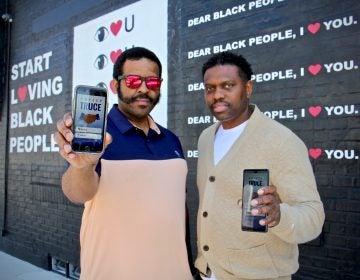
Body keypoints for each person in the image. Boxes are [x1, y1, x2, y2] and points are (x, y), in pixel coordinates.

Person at [55, 47, 193, 280]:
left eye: (152, 82)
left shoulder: (171, 139)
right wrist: (83, 166)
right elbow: (77, 193)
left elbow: (178, 212)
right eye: (132, 80)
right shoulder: (98, 137)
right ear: (114, 85)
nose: (142, 88)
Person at [195, 51, 325, 280]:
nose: (217, 95)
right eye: (210, 88)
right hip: (209, 271)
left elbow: (313, 218)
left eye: (228, 85)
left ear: (248, 88)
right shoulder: (206, 137)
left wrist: (278, 215)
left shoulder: (281, 140)